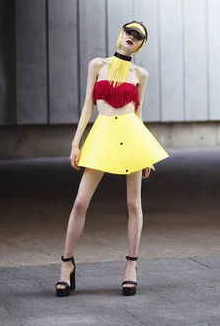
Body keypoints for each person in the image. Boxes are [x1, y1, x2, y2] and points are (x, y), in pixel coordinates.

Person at [55, 21, 169, 297]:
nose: (131, 37)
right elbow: (87, 107)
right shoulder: (97, 65)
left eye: (138, 36)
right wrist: (75, 142)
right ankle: (66, 265)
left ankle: (131, 266)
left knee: (133, 203)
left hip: (131, 136)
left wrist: (146, 154)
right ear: (120, 35)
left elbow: (138, 115)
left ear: (141, 45)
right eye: (129, 32)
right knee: (80, 202)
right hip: (102, 135)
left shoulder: (140, 74)